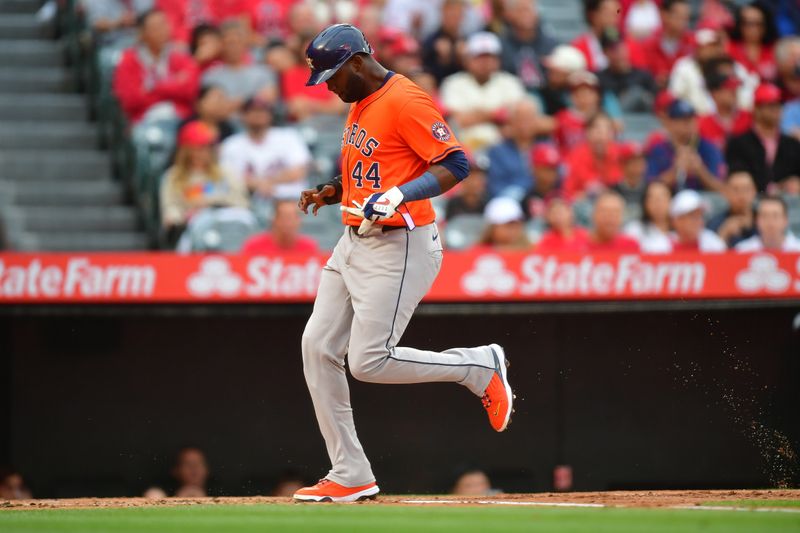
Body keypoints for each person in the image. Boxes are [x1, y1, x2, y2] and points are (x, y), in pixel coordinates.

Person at [295, 24, 514, 503]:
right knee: (317, 347)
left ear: (357, 63)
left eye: (332, 75)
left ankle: (477, 367)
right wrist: (334, 190)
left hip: (402, 244)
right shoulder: (359, 103)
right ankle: (350, 471)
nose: (328, 86)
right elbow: (374, 167)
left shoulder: (406, 100)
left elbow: (456, 163)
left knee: (369, 362)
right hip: (353, 242)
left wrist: (399, 194)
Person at [160, 120, 249, 246]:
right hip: (191, 228)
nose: (203, 153)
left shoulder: (226, 173)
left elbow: (242, 202)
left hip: (225, 226)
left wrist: (213, 205)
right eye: (198, 147)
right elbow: (170, 207)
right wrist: (180, 216)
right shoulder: (173, 176)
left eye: (208, 147)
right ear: (186, 150)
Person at [219, 97, 311, 213]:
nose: (258, 115)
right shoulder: (231, 144)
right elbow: (230, 177)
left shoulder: (288, 136)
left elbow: (299, 171)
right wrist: (259, 185)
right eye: (253, 111)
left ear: (270, 115)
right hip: (247, 203)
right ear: (242, 116)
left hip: (291, 201)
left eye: (262, 111)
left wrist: (267, 183)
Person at [440, 31, 526, 150]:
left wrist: (476, 115)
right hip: (464, 148)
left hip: (504, 148)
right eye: (479, 57)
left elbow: (520, 123)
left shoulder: (511, 83)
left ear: (498, 60)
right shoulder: (452, 83)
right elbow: (456, 121)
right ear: (467, 60)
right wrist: (496, 115)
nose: (485, 62)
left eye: (490, 57)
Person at [112, 9, 199, 123]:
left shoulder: (181, 56)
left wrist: (153, 87)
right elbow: (131, 101)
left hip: (180, 118)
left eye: (164, 24)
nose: (162, 30)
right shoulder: (128, 61)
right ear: (142, 33)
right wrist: (174, 84)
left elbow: (190, 91)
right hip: (144, 120)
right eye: (155, 27)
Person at [726, 83, 800, 194]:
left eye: (778, 105)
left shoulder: (792, 144)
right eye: (770, 106)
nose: (776, 110)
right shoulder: (739, 142)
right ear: (757, 109)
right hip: (752, 200)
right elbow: (737, 175)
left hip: (788, 201)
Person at [646, 99, 725, 193]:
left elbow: (721, 188)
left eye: (692, 119)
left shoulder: (708, 148)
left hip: (703, 202)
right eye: (683, 120)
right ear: (670, 123)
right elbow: (650, 188)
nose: (689, 124)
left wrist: (699, 169)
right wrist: (676, 170)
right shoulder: (659, 149)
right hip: (670, 201)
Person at [202, 19, 277, 110]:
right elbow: (212, 108)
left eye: (238, 41)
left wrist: (232, 104)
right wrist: (251, 98)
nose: (234, 47)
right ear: (221, 45)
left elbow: (269, 98)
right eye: (229, 43)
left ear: (245, 43)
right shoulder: (211, 76)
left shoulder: (263, 72)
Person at [486, 98, 547, 199]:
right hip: (511, 203)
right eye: (520, 119)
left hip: (543, 202)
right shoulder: (498, 151)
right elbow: (495, 186)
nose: (525, 124)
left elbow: (558, 178)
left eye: (529, 118)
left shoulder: (546, 147)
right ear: (511, 122)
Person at [630, 0, 693, 88]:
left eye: (686, 18)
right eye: (678, 16)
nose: (683, 22)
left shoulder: (692, 43)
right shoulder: (648, 45)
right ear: (664, 15)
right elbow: (642, 76)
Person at [498, 0, 557, 91]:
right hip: (513, 94)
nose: (526, 14)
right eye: (521, 10)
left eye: (530, 9)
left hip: (547, 94)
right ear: (509, 14)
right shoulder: (500, 45)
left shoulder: (549, 43)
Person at [562, 112, 623, 200]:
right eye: (597, 130)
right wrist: (587, 194)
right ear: (587, 132)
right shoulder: (574, 157)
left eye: (607, 131)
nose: (602, 136)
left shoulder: (620, 155)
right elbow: (568, 195)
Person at [597, 33, 657, 113]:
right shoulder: (600, 79)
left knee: (637, 93)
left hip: (642, 122)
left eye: (622, 48)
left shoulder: (643, 76)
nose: (619, 53)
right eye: (613, 50)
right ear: (605, 53)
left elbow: (656, 104)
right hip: (610, 121)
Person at [698, 73, 752, 150]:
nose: (734, 92)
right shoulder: (702, 124)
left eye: (735, 88)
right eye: (728, 89)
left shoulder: (749, 118)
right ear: (714, 94)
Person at [241, 200, 319, 254]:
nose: (287, 223)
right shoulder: (254, 246)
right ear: (274, 220)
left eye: (291, 218)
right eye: (283, 218)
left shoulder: (309, 247)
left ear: (299, 221)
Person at [727, 1, 779, 82]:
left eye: (758, 24)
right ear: (740, 25)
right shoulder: (729, 49)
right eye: (748, 23)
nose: (753, 29)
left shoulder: (775, 50)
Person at [421, 0, 467, 85]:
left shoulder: (465, 41)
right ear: (442, 15)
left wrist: (463, 60)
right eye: (449, 15)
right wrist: (442, 61)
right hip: (438, 86)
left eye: (456, 16)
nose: (453, 20)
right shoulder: (431, 41)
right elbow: (425, 69)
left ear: (462, 17)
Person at [708, 171, 758, 247]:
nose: (741, 195)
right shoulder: (715, 223)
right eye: (736, 190)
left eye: (746, 189)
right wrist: (724, 233)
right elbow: (708, 254)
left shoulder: (764, 218)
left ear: (754, 191)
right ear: (726, 193)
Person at [571, 0, 621, 72]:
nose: (614, 18)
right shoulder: (577, 49)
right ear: (592, 15)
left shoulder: (628, 46)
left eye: (617, 12)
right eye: (608, 13)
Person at [624, 180, 674, 253]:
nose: (658, 203)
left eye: (662, 198)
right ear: (645, 203)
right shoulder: (634, 229)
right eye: (653, 199)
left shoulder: (681, 231)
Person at [736, 195, 800, 251]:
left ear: (785, 220)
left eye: (775, 216)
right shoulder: (742, 250)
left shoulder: (797, 249)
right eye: (764, 215)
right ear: (756, 220)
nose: (770, 221)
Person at [538, 45, 588, 116]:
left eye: (556, 70)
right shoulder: (542, 91)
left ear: (569, 73)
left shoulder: (580, 97)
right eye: (551, 69)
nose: (550, 71)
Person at [81, 0, 152, 45]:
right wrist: (119, 23)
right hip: (112, 45)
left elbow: (152, 16)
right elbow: (96, 24)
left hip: (141, 42)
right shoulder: (98, 1)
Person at [521, 143, 562, 219]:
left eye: (554, 169)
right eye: (547, 169)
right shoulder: (526, 199)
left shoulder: (563, 194)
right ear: (534, 169)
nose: (551, 174)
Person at [613, 140, 647, 208]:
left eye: (641, 160)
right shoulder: (613, 191)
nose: (639, 164)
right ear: (623, 164)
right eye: (634, 161)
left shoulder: (650, 189)